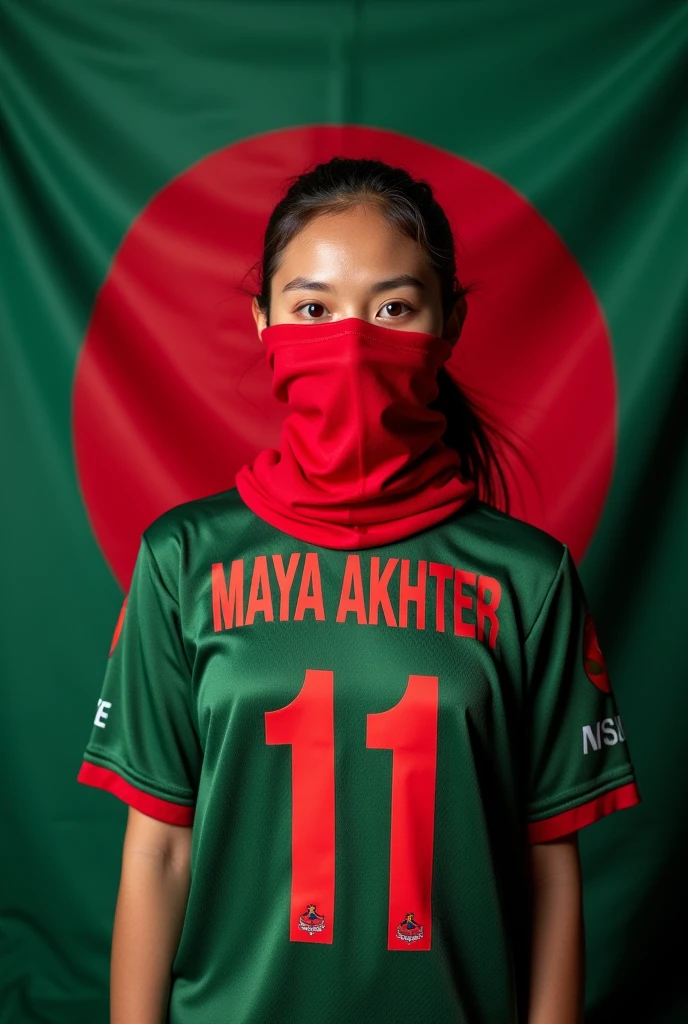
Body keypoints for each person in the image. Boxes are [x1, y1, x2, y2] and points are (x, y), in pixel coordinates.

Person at [76, 157, 640, 1024]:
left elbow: (550, 870)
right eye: (312, 308)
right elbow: (158, 854)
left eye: (391, 308)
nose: (350, 339)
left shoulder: (528, 579)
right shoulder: (182, 559)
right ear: (263, 320)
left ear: (449, 321)